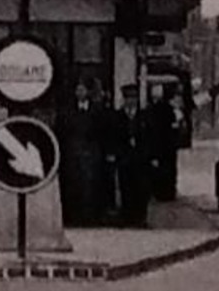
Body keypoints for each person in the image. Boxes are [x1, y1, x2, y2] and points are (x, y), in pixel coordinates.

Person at [56, 77, 105, 228]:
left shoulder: (97, 110)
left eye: (83, 90)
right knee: (73, 185)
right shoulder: (68, 112)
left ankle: (90, 218)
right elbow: (62, 133)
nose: (80, 93)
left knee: (90, 187)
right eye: (78, 90)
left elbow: (102, 133)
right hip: (73, 155)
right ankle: (74, 217)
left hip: (91, 154)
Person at [112, 83, 151, 228]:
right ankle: (127, 217)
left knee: (141, 189)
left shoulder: (144, 116)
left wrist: (150, 156)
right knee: (125, 188)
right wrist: (117, 155)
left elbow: (150, 137)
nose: (131, 101)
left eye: (134, 97)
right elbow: (114, 137)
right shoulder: (118, 116)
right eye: (128, 98)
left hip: (140, 159)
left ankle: (140, 218)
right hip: (125, 159)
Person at [146, 85, 182, 202]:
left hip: (157, 143)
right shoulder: (170, 109)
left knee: (157, 169)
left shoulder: (152, 109)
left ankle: (158, 191)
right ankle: (168, 192)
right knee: (169, 169)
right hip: (168, 145)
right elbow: (175, 126)